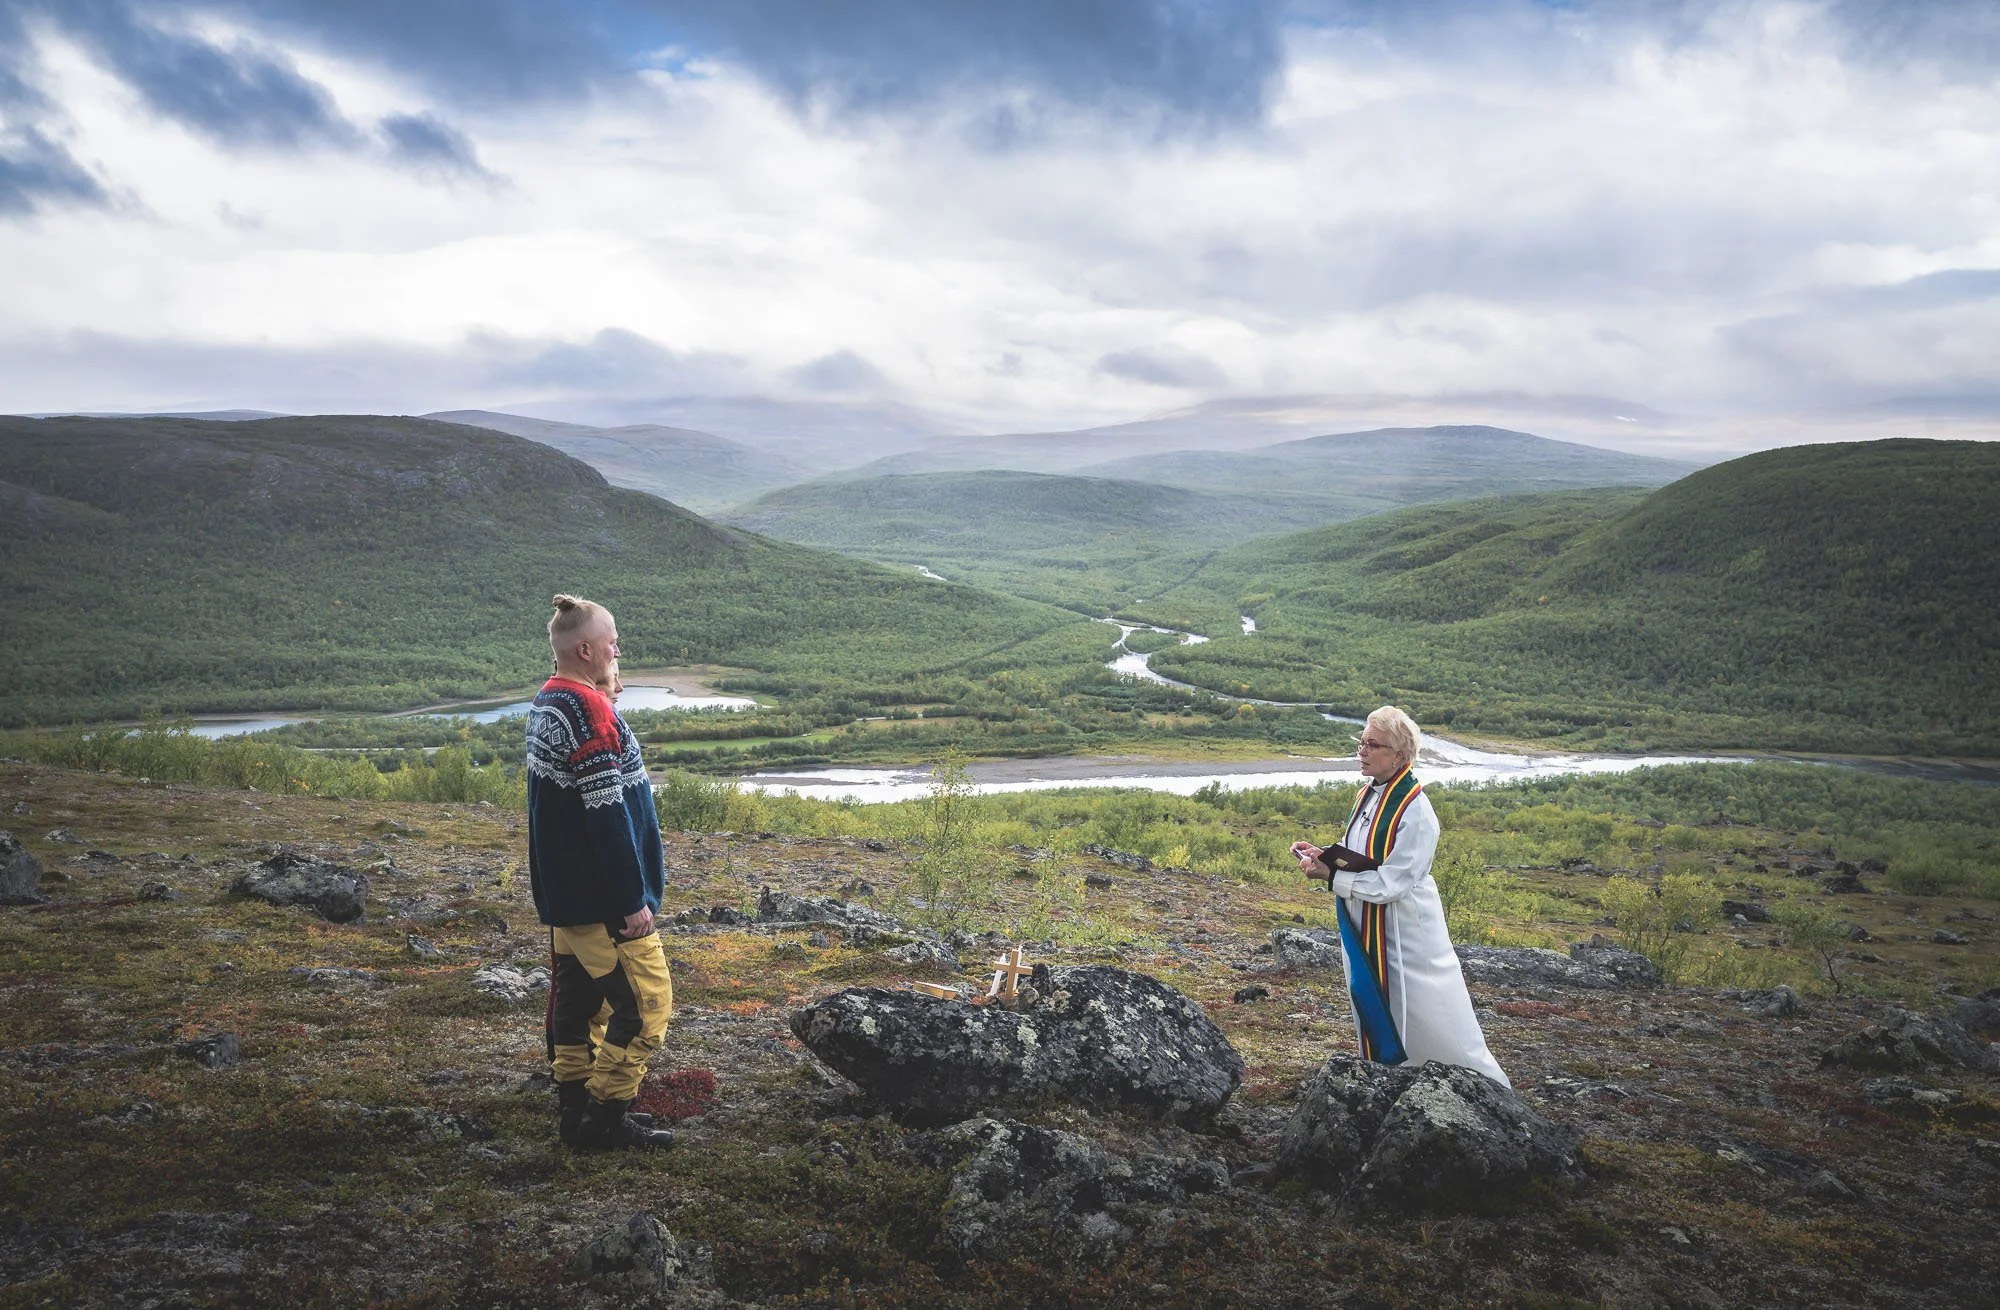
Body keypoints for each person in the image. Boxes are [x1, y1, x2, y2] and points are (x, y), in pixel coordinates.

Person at [1291, 706, 1510, 1087]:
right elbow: (1360, 852)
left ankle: (1483, 1091)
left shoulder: (1416, 811)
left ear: (1400, 754)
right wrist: (1324, 854)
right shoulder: (1368, 795)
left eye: (1372, 744)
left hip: (1407, 935)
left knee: (1430, 1013)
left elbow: (1393, 884)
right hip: (1368, 926)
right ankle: (1391, 1082)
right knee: (1373, 999)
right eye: (1361, 741)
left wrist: (1332, 878)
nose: (1362, 750)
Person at [528, 594, 676, 1150]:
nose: (619, 649)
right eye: (612, 641)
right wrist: (630, 899)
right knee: (646, 1008)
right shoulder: (588, 712)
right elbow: (606, 817)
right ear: (586, 649)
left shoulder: (550, 699)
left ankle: (573, 1116)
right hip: (602, 902)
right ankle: (601, 1125)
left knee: (580, 1006)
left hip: (568, 899)